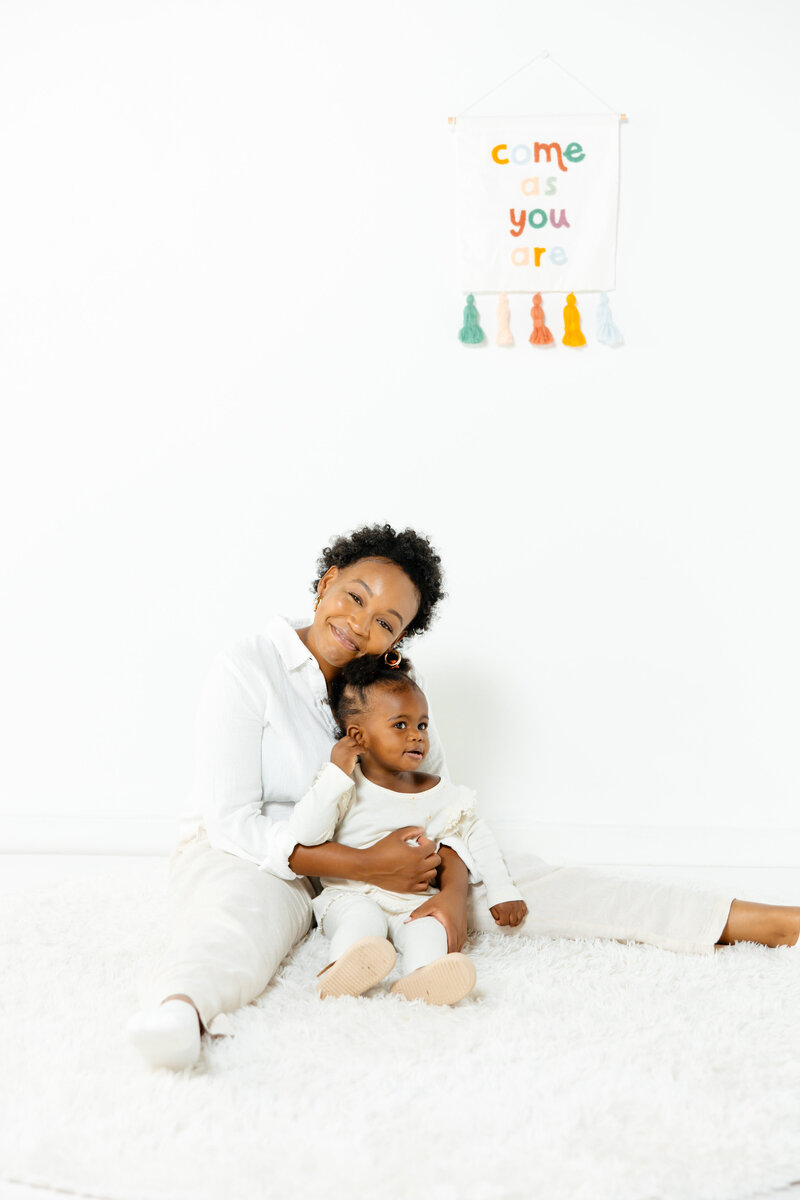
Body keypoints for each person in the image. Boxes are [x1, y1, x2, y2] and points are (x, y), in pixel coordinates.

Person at [128, 523, 800, 1071]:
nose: (361, 623)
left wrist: (447, 893)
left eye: (386, 621)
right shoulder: (247, 667)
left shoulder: (390, 689)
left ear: (399, 640)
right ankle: (179, 1015)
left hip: (380, 856)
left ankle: (761, 920)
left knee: (526, 881)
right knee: (236, 921)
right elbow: (233, 821)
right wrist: (362, 867)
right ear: (326, 582)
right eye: (355, 597)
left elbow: (437, 797)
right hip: (256, 856)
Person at [282, 654, 527, 1006]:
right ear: (358, 737)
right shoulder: (344, 785)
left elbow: (475, 834)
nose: (416, 736)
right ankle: (345, 967)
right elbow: (303, 834)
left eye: (422, 725)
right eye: (400, 725)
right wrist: (335, 773)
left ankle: (423, 976)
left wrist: (502, 889)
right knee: (362, 921)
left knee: (428, 927)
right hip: (353, 895)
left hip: (413, 900)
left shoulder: (437, 789)